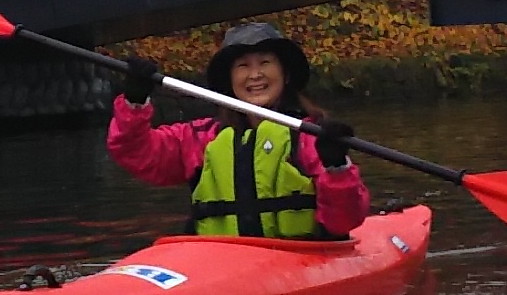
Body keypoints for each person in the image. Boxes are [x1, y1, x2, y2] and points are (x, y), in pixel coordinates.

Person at [106, 16, 371, 241]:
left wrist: (337, 166)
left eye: (265, 63)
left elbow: (344, 221)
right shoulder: (201, 138)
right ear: (230, 81)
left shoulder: (313, 138)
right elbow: (134, 151)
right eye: (243, 66)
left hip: (299, 261)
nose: (255, 75)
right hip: (221, 263)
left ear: (285, 74)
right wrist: (135, 101)